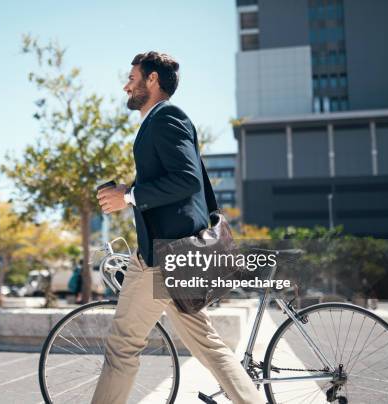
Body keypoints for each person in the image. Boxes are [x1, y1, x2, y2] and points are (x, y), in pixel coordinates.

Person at [93, 52, 265, 404]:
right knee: (205, 346)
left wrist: (129, 196)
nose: (126, 85)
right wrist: (128, 194)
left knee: (125, 346)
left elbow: (186, 179)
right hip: (161, 255)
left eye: (132, 77)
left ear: (152, 80)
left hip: (166, 256)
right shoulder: (157, 123)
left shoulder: (167, 117)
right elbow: (183, 183)